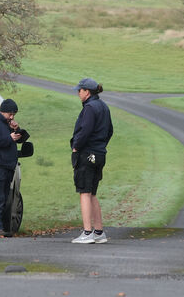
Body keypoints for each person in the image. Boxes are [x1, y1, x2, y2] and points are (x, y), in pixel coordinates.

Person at [69, 77, 113, 244]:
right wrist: (101, 145)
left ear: (87, 92)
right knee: (92, 193)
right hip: (100, 154)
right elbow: (110, 130)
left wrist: (76, 147)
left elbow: (85, 130)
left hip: (87, 154)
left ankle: (87, 233)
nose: (78, 93)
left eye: (79, 91)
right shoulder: (104, 106)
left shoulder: (89, 108)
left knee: (84, 192)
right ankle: (99, 231)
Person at [0, 98, 29, 237]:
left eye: (14, 114)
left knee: (3, 199)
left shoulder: (6, 124)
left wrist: (17, 129)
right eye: (10, 114)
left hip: (7, 167)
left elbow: (21, 138)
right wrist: (10, 138)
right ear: (3, 111)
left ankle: (0, 227)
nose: (12, 117)